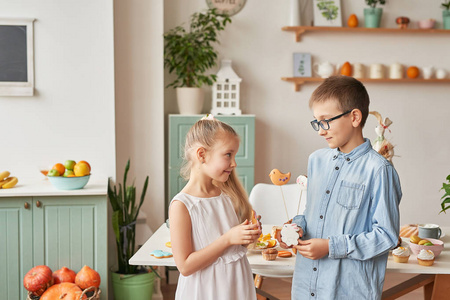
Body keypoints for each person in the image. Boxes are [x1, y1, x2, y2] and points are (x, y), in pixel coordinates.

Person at [279, 76, 402, 299]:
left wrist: (330, 247)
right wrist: (296, 227)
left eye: (326, 121)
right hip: (305, 287)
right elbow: (313, 214)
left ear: (355, 117)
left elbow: (387, 236)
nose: (320, 130)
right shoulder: (316, 160)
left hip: (349, 291)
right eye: (317, 122)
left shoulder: (379, 170)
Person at [169, 114, 260, 300]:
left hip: (236, 285)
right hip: (207, 291)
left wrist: (246, 236)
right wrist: (228, 239)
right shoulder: (182, 205)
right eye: (228, 154)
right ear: (202, 155)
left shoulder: (227, 195)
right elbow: (185, 266)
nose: (234, 163)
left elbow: (232, 250)